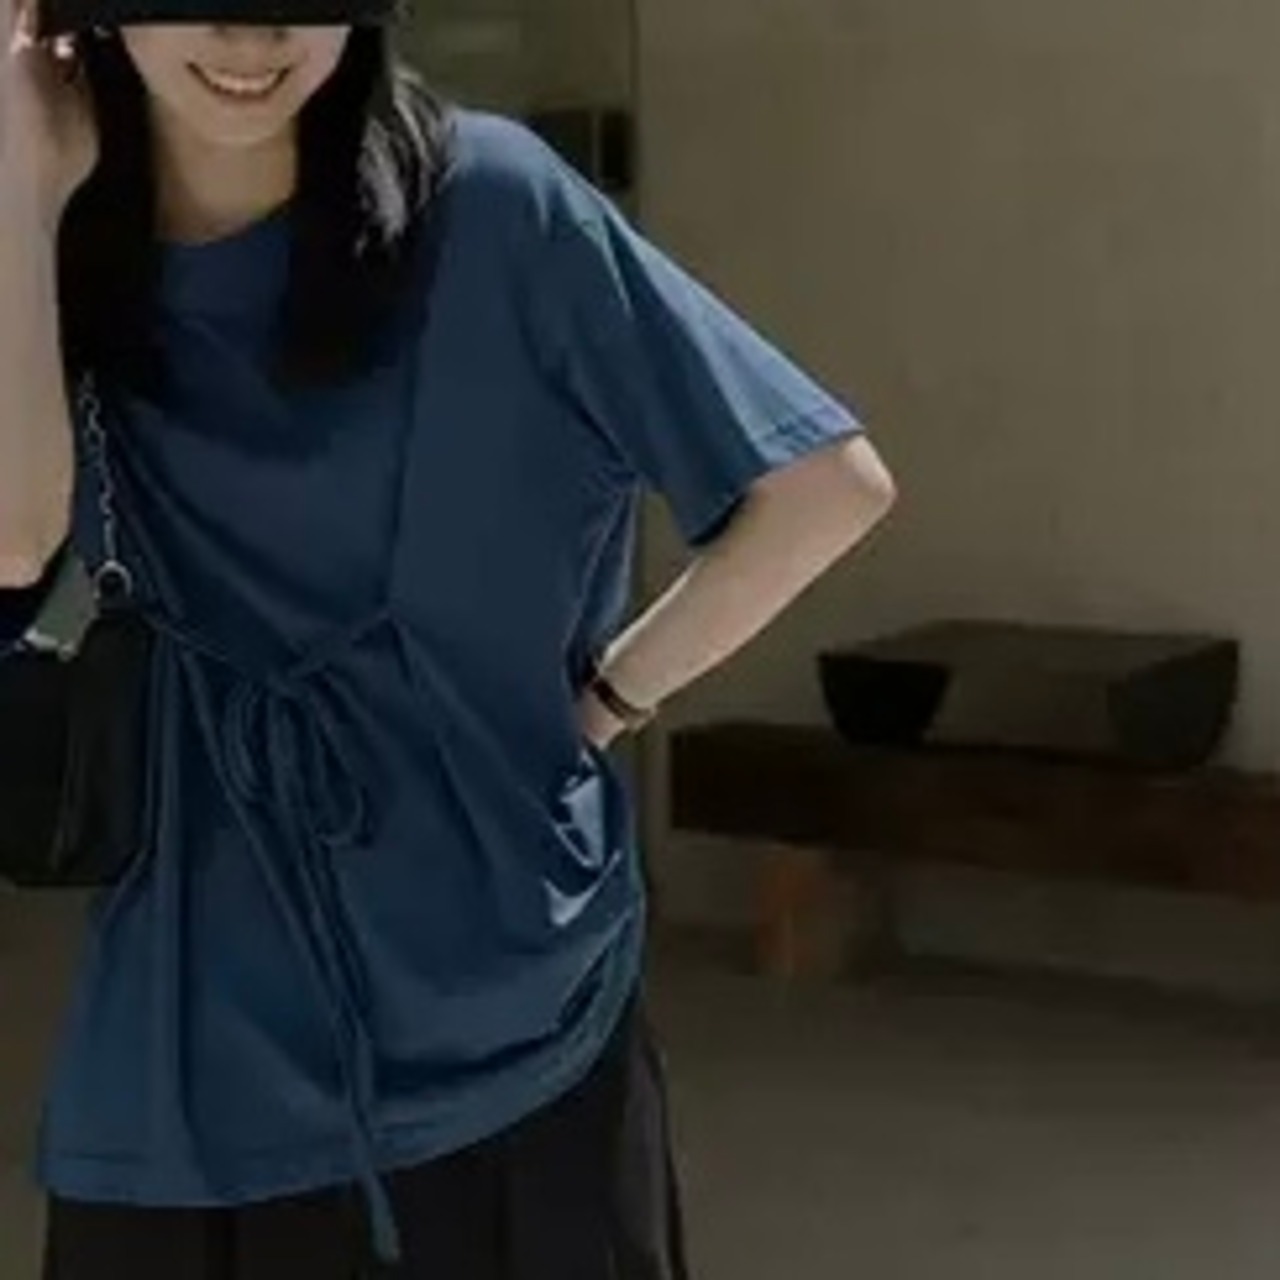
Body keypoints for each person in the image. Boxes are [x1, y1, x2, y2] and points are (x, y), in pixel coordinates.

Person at [0, 0, 898, 1275]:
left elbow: (820, 488)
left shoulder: (491, 205)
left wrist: (608, 697)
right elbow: (15, 536)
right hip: (197, 1020)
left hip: (500, 1018)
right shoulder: (59, 243)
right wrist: (23, 185)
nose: (252, 39)